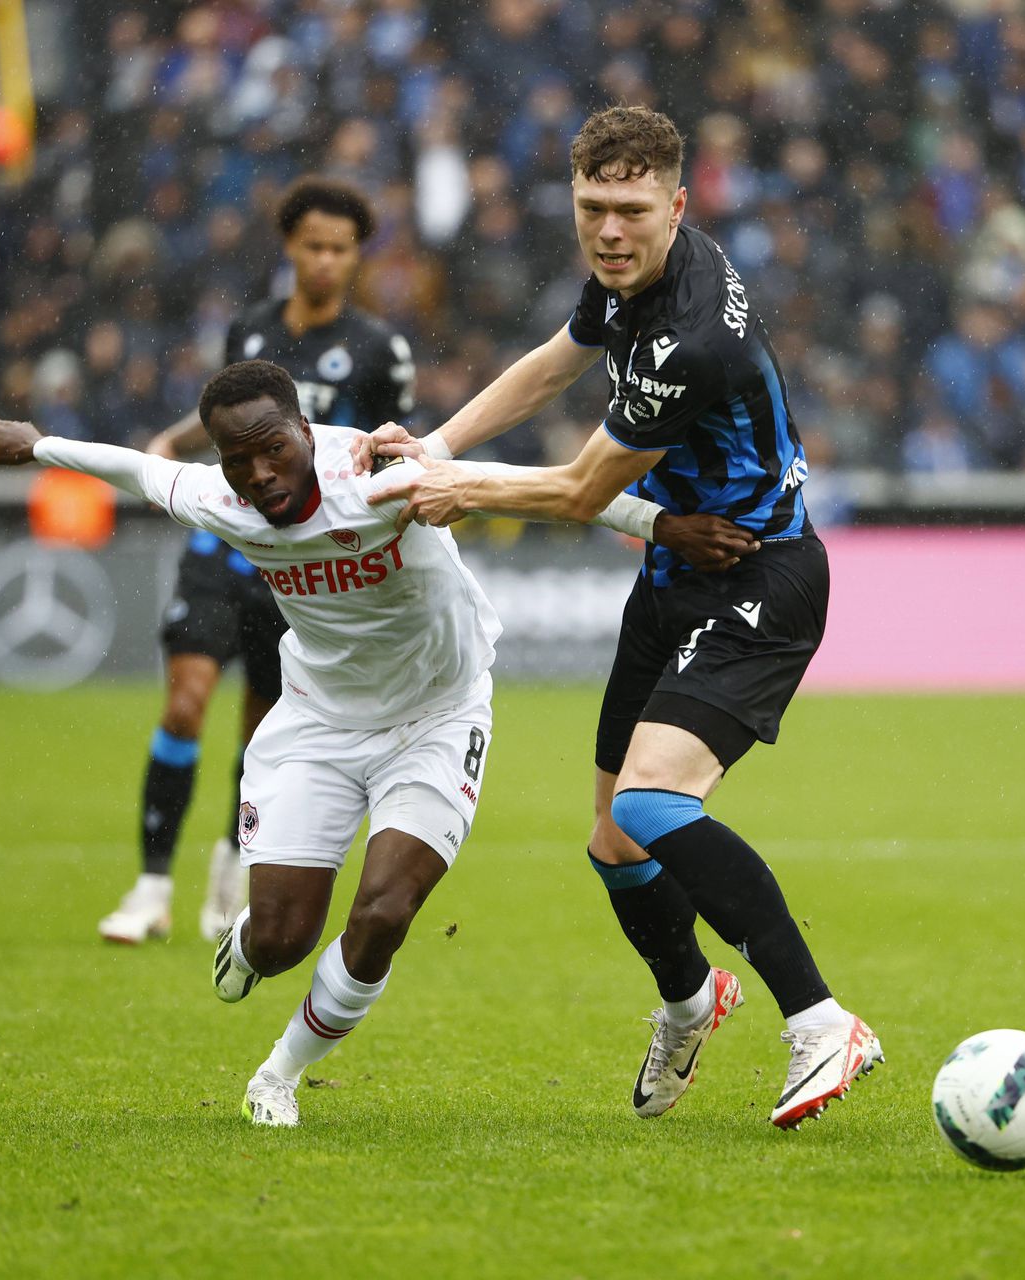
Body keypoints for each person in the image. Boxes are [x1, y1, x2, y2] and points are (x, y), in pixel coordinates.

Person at [0, 360, 750, 1126]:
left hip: (439, 717)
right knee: (279, 941)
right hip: (319, 725)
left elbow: (537, 487)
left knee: (383, 910)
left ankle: (279, 1074)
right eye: (240, 460)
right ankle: (251, 940)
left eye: (274, 447)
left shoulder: (381, 476)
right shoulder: (219, 499)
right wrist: (36, 445)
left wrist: (664, 526)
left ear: (305, 430)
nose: (261, 472)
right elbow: (134, 468)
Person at [363, 106, 880, 1129]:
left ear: (677, 207)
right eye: (593, 206)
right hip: (674, 573)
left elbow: (580, 492)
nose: (609, 230)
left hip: (758, 579)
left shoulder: (693, 335)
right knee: (613, 840)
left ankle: (822, 1019)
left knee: (650, 804)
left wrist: (456, 483)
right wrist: (437, 436)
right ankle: (692, 1000)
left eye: (632, 210)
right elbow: (556, 358)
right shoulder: (628, 280)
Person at [99, 178, 416, 947]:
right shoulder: (249, 328)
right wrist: (174, 443)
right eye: (314, 245)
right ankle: (148, 887)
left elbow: (394, 445)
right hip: (227, 542)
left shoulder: (380, 349)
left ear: (356, 256)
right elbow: (233, 420)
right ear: (290, 247)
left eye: (342, 249)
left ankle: (232, 867)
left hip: (303, 562)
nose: (327, 261)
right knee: (184, 703)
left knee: (263, 733)